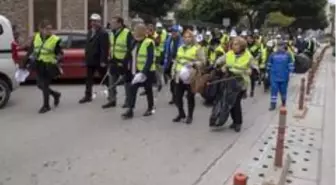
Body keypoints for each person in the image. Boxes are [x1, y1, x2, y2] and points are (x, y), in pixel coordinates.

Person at [214, 37, 253, 132]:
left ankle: (238, 123)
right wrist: (218, 65)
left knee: (235, 103)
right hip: (229, 81)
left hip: (240, 82)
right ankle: (234, 121)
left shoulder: (248, 56)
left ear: (242, 46)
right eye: (233, 44)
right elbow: (220, 60)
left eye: (236, 44)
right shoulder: (230, 53)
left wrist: (249, 71)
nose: (233, 46)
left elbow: (253, 68)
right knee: (228, 102)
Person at [24, 19, 63, 113]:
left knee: (45, 85)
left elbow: (60, 53)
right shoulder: (36, 37)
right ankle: (55, 94)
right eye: (47, 29)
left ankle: (46, 106)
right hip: (39, 64)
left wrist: (57, 59)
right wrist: (24, 63)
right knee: (39, 85)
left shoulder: (54, 39)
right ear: (40, 29)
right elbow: (31, 51)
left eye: (50, 29)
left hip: (49, 65)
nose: (49, 31)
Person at [121, 24, 156, 119]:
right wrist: (123, 65)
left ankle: (150, 107)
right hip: (135, 71)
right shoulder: (134, 42)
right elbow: (129, 55)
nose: (134, 33)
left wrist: (143, 72)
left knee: (148, 90)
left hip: (147, 71)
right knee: (132, 89)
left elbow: (150, 59)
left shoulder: (149, 42)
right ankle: (130, 110)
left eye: (136, 31)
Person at [172, 29, 206, 124]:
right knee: (177, 96)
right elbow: (177, 60)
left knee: (190, 97)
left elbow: (203, 61)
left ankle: (190, 116)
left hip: (191, 75)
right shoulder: (180, 48)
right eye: (185, 37)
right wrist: (173, 71)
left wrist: (193, 64)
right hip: (179, 75)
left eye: (189, 37)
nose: (187, 39)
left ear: (192, 38)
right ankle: (181, 113)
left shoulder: (197, 48)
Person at [79, 13, 110, 105]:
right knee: (88, 79)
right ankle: (88, 96)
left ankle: (112, 93)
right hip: (90, 60)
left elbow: (104, 48)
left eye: (96, 21)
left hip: (99, 60)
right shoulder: (90, 31)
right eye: (92, 21)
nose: (93, 23)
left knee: (105, 78)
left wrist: (103, 61)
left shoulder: (103, 33)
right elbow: (88, 46)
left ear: (99, 22)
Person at [103, 16, 133, 109]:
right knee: (111, 81)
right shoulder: (112, 33)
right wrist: (109, 57)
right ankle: (112, 100)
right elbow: (112, 46)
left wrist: (126, 61)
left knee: (126, 83)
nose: (111, 25)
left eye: (113, 23)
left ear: (120, 23)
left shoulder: (127, 33)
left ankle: (128, 101)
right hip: (113, 60)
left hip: (123, 61)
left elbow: (130, 48)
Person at [267, 41, 294, 111]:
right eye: (278, 46)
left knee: (283, 91)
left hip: (284, 76)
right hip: (274, 76)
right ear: (276, 46)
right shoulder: (272, 54)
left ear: (284, 46)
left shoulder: (288, 54)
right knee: (274, 91)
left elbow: (290, 64)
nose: (280, 47)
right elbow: (269, 64)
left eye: (281, 46)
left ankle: (283, 102)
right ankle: (273, 105)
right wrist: (267, 73)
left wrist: (291, 73)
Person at [163, 25, 183, 105]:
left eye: (175, 31)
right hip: (170, 62)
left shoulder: (181, 41)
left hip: (178, 63)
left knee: (176, 82)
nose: (173, 33)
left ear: (178, 32)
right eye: (172, 31)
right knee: (172, 82)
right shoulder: (169, 40)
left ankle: (177, 98)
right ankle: (174, 97)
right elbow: (166, 50)